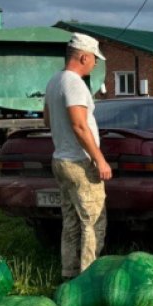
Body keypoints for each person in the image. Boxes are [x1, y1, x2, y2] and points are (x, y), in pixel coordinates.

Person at [44, 33, 112, 279]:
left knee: (71, 221)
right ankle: (88, 280)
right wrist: (99, 159)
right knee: (93, 223)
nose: (95, 63)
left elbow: (47, 119)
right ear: (83, 56)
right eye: (94, 59)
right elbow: (80, 126)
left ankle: (69, 274)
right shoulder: (74, 83)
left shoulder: (54, 81)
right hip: (79, 163)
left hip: (60, 159)